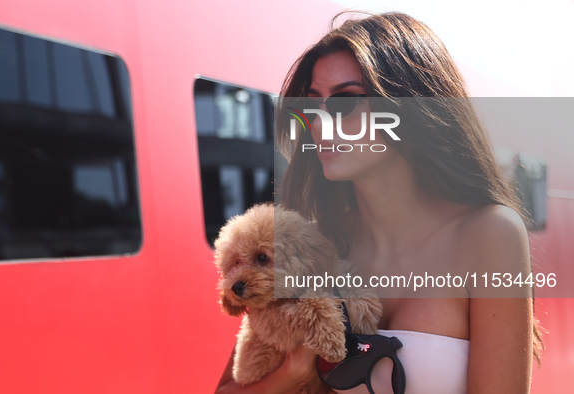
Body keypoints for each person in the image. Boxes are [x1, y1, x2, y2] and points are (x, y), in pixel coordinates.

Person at [216, 11, 543, 394]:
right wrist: (293, 373)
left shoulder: (490, 233)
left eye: (345, 101)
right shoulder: (315, 244)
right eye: (311, 105)